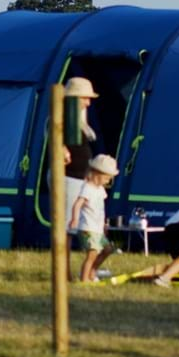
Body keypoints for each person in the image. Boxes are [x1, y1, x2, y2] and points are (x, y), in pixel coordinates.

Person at [68, 155, 118, 282]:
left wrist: (104, 224)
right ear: (97, 173)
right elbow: (77, 204)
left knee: (107, 249)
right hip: (88, 228)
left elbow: (100, 209)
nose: (108, 181)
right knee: (92, 254)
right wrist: (74, 219)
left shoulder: (100, 189)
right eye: (107, 178)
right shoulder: (87, 187)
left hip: (97, 228)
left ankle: (92, 272)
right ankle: (84, 279)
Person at [61, 77, 99, 237]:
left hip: (80, 179)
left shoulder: (80, 121)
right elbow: (52, 132)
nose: (88, 103)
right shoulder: (62, 117)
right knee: (67, 225)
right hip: (69, 178)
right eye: (85, 98)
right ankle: (64, 256)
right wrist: (61, 148)